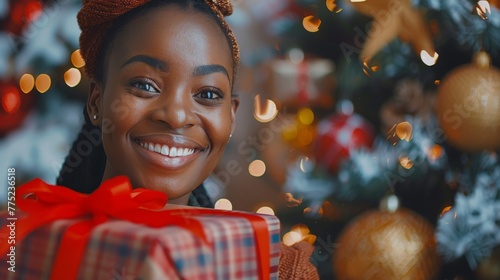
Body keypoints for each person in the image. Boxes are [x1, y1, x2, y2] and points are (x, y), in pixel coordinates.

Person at [57, 0, 319, 278]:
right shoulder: (23, 245)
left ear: (230, 116)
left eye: (207, 94)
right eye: (145, 85)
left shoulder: (280, 270)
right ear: (97, 102)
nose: (177, 116)